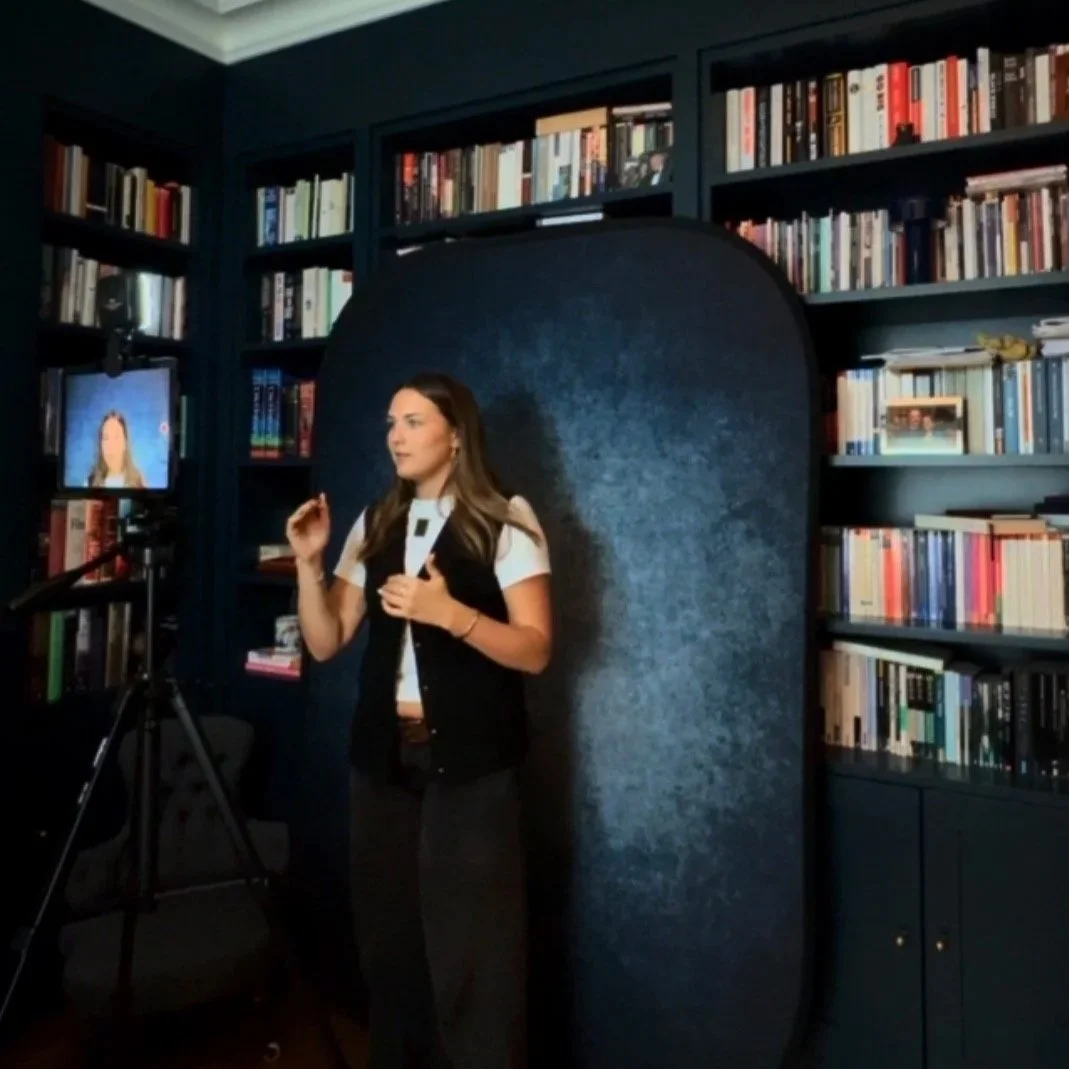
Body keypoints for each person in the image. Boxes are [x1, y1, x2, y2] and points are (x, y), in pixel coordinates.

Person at [284, 370, 553, 1069]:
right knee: (390, 947)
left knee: (476, 957)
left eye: (412, 422)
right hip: (381, 761)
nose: (394, 437)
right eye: (389, 423)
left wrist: (451, 614)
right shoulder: (376, 521)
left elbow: (535, 649)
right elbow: (325, 640)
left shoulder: (507, 519)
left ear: (455, 435)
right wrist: (309, 565)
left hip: (471, 765)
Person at [87, 410, 146, 488]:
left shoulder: (138, 482)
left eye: (116, 437)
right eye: (106, 438)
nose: (111, 445)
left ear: (125, 443)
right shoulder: (91, 482)